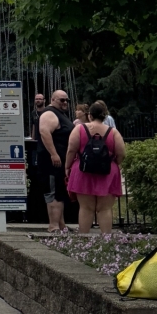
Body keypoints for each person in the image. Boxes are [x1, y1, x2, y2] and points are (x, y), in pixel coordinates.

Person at [65, 100, 126, 234]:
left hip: (83, 170)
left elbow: (71, 150)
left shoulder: (80, 129)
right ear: (105, 116)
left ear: (90, 115)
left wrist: (67, 167)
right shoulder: (113, 131)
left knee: (86, 208)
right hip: (107, 171)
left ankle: (83, 240)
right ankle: (106, 241)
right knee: (105, 209)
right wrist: (115, 163)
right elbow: (121, 153)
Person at [38, 89, 74, 233]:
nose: (65, 103)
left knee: (59, 191)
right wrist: (54, 154)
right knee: (54, 193)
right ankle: (53, 226)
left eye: (67, 100)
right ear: (53, 100)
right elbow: (44, 131)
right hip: (52, 163)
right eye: (62, 100)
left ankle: (61, 225)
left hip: (58, 162)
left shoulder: (58, 114)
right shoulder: (49, 113)